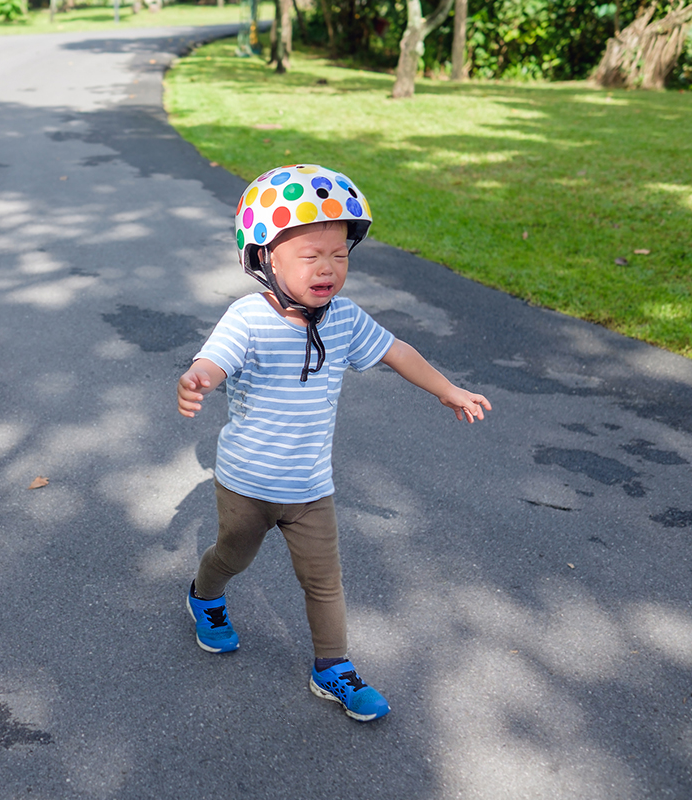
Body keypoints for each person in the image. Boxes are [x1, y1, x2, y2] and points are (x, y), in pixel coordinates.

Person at [177, 164, 491, 722]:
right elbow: (215, 358)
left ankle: (333, 668)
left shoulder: (343, 318)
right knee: (233, 556)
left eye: (340, 256)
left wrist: (446, 390)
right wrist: (199, 378)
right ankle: (204, 596)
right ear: (266, 257)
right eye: (310, 256)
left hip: (310, 489)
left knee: (324, 582)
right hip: (246, 484)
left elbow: (397, 350)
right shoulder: (247, 318)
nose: (328, 268)